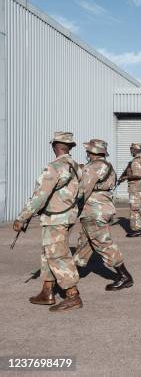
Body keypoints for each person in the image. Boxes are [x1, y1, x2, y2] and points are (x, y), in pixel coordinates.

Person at [13, 131, 84, 312]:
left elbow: (40, 196)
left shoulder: (55, 166)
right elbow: (81, 194)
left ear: (55, 146)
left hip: (55, 218)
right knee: (48, 253)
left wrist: (22, 217)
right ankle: (47, 292)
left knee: (58, 255)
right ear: (69, 147)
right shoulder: (76, 166)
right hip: (66, 215)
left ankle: (72, 295)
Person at [73, 139, 133, 291]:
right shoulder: (107, 165)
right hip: (101, 208)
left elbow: (82, 191)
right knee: (85, 243)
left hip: (94, 210)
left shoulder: (93, 167)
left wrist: (68, 205)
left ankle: (124, 276)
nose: (86, 153)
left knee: (103, 244)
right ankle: (73, 273)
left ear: (92, 152)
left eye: (88, 150)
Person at [119, 143, 141, 237]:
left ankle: (137, 230)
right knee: (138, 206)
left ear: (134, 150)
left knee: (134, 208)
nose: (130, 152)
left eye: (131, 150)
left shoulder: (136, 161)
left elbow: (137, 175)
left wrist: (126, 177)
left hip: (137, 187)